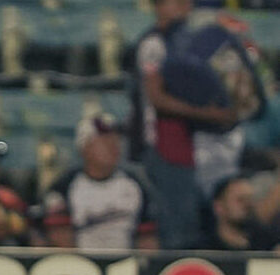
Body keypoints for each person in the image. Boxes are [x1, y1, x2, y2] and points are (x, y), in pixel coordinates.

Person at [133, 0, 238, 249]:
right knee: (177, 225)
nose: (185, 6)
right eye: (176, 1)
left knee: (191, 219)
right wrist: (208, 114)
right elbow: (157, 98)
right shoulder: (154, 43)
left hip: (185, 142)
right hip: (164, 144)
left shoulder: (181, 40)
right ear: (159, 6)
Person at [42, 113, 158, 250]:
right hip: (79, 260)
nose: (113, 146)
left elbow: (148, 239)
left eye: (116, 140)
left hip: (127, 260)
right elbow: (59, 237)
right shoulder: (64, 186)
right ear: (84, 147)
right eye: (104, 141)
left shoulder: (135, 184)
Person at [201, 176, 279, 251]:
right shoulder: (203, 248)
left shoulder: (266, 243)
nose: (248, 204)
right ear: (219, 207)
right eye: (240, 200)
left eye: (250, 199)